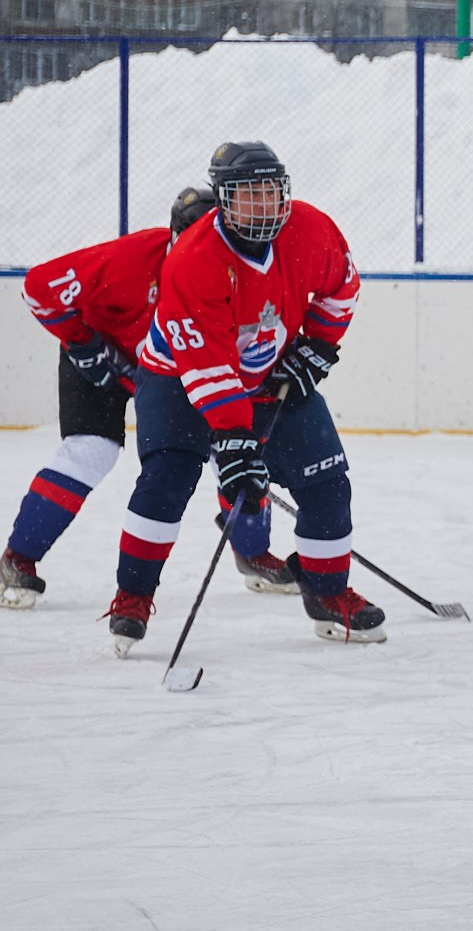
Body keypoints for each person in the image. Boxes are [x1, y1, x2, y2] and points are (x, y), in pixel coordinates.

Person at [108, 141, 382, 655]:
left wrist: (318, 347)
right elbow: (208, 366)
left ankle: (326, 593)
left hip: (266, 370)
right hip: (177, 376)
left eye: (271, 192)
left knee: (327, 480)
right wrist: (234, 439)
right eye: (247, 195)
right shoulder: (193, 260)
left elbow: (341, 288)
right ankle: (132, 595)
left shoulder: (313, 229)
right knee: (167, 478)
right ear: (223, 201)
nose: (263, 206)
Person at [3, 188, 297, 609]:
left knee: (232, 451)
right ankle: (18, 559)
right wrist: (83, 345)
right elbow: (39, 287)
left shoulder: (237, 271)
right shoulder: (133, 257)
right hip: (104, 362)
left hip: (179, 376)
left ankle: (252, 554)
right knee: (91, 451)